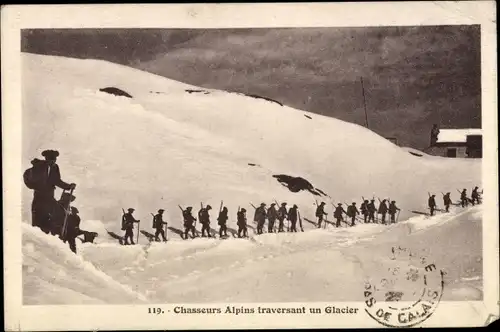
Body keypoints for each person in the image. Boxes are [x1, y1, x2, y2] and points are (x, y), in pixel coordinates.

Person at [25, 150, 76, 234]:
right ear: (46, 159)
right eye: (51, 159)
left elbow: (57, 181)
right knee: (38, 222)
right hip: (39, 199)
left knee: (53, 218)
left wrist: (68, 186)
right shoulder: (39, 166)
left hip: (49, 198)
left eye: (54, 159)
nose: (53, 161)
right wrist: (37, 186)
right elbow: (32, 180)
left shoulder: (55, 167)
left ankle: (51, 238)